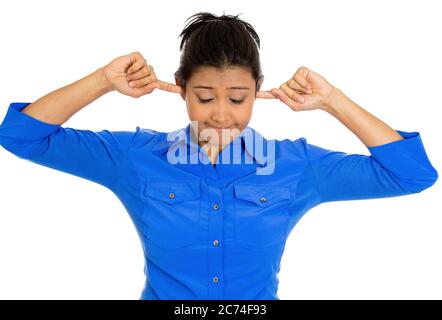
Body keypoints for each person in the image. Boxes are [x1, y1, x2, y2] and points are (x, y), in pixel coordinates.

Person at [0, 11, 438, 300]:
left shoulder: (295, 167)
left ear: (259, 92)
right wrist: (101, 80)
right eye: (205, 97)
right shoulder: (135, 156)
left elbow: (411, 175)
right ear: (181, 88)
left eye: (238, 98)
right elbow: (22, 136)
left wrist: (332, 101)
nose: (222, 115)